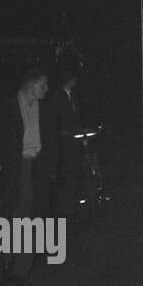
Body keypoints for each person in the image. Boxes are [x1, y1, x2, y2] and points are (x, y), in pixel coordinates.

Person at [0, 66, 51, 283]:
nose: (47, 89)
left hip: (35, 165)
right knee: (15, 214)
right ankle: (12, 260)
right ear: (31, 85)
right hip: (14, 167)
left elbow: (51, 138)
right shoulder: (7, 106)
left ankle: (22, 266)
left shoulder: (44, 108)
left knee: (29, 213)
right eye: (43, 84)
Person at [43, 56, 83, 218]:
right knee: (65, 175)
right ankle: (62, 208)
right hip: (62, 143)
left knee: (73, 173)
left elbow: (75, 117)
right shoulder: (57, 97)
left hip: (73, 141)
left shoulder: (72, 96)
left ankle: (69, 205)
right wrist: (62, 132)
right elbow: (52, 121)